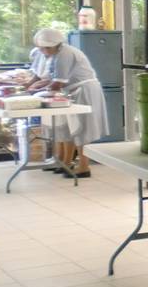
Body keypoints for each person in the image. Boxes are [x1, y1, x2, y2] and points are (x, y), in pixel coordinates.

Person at [33, 28, 110, 178]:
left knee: (82, 129)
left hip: (84, 91)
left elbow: (58, 83)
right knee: (70, 128)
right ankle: (65, 162)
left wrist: (38, 93)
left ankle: (84, 167)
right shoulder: (56, 54)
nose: (43, 51)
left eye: (45, 48)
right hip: (73, 90)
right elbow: (50, 78)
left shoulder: (64, 54)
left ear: (53, 46)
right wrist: (36, 87)